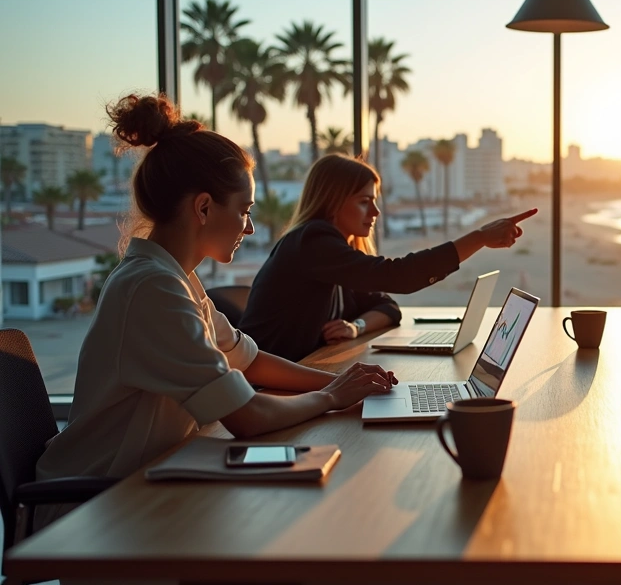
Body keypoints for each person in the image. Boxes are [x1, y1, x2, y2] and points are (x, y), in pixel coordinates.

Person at [36, 94, 397, 500]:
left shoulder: (174, 279)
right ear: (204, 208)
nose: (250, 229)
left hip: (147, 481)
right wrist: (331, 396)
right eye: (244, 211)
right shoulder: (152, 289)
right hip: (92, 507)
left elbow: (251, 361)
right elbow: (248, 415)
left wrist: (344, 383)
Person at [240, 154, 536, 361]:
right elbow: (400, 277)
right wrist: (480, 237)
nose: (375, 213)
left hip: (302, 373)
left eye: (375, 202)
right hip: (270, 387)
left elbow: (388, 306)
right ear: (332, 202)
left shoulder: (335, 256)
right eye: (364, 202)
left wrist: (356, 326)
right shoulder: (312, 242)